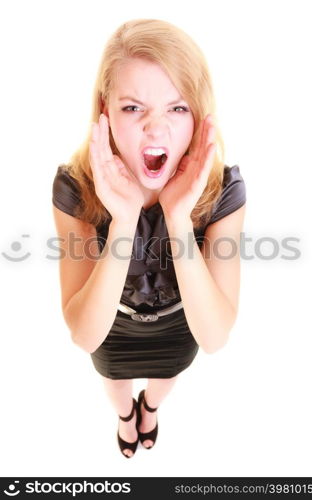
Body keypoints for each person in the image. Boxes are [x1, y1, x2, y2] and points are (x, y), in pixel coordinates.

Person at [52, 18, 246, 458]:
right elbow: (84, 335)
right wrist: (123, 220)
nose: (155, 130)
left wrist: (178, 220)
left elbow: (214, 337)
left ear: (198, 113)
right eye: (133, 108)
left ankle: (150, 410)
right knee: (114, 382)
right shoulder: (75, 186)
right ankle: (126, 417)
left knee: (164, 379)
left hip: (183, 324)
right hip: (111, 325)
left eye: (177, 108)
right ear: (105, 110)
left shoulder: (224, 191)